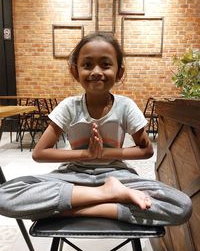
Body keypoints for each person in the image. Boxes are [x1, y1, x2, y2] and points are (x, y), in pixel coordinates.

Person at [0, 32, 192, 225]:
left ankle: (70, 209)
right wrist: (87, 155)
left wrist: (104, 153)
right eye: (87, 65)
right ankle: (105, 198)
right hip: (72, 177)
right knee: (4, 196)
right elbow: (39, 153)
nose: (96, 71)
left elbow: (146, 150)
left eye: (106, 64)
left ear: (119, 73)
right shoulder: (69, 106)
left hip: (118, 176)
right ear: (75, 72)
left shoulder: (126, 106)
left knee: (181, 206)